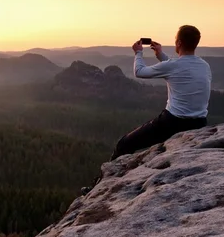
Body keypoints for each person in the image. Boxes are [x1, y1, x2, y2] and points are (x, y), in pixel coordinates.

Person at [81, 25, 212, 195]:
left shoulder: (173, 65)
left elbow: (140, 72)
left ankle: (99, 188)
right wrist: (160, 56)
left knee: (124, 144)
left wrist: (138, 53)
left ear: (178, 42)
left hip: (173, 122)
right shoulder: (204, 65)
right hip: (200, 123)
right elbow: (180, 69)